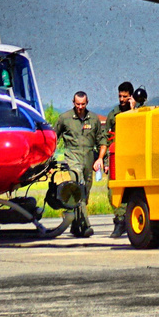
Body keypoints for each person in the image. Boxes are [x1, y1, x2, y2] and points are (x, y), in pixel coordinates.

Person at [53, 90, 105, 238]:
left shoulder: (94, 119)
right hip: (72, 156)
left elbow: (102, 141)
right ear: (73, 102)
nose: (80, 107)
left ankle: (76, 225)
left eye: (82, 104)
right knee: (78, 186)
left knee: (85, 191)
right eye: (77, 104)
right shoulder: (65, 118)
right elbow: (53, 137)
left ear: (87, 103)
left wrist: (100, 159)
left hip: (88, 157)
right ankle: (85, 225)